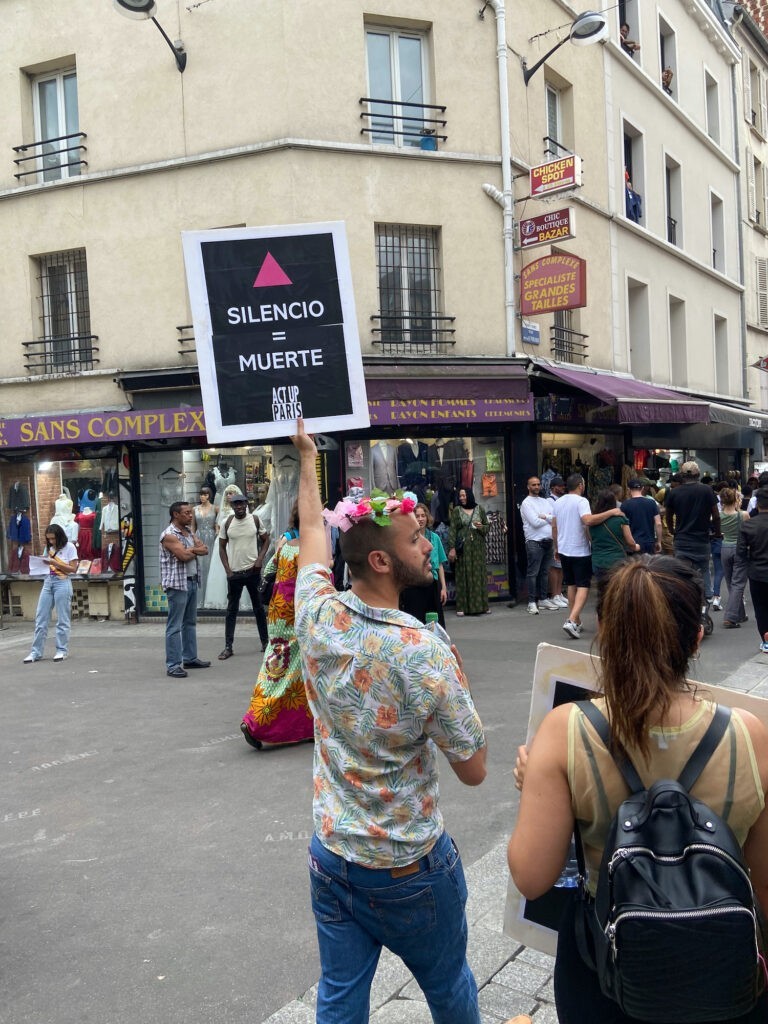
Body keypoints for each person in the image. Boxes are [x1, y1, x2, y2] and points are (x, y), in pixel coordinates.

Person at [507, 556, 768, 1024]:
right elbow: (765, 884)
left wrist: (538, 788)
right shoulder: (749, 735)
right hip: (721, 973)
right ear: (697, 638)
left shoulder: (566, 730)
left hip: (606, 972)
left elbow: (532, 876)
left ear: (603, 634)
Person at [291, 419, 487, 1024]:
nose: (428, 545)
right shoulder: (425, 652)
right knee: (450, 987)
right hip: (409, 869)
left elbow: (309, 532)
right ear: (380, 560)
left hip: (333, 855)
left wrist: (306, 457)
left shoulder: (316, 614)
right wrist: (456, 685)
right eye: (414, 539)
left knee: (341, 997)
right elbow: (475, 770)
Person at [241, 501, 312, 748]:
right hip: (301, 608)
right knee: (298, 666)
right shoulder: (311, 546)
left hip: (278, 608)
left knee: (279, 662)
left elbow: (270, 568)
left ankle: (305, 725)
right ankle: (257, 719)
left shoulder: (285, 540)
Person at [551, 473, 623, 639]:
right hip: (579, 549)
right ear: (581, 486)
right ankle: (571, 620)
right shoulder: (581, 501)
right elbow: (588, 521)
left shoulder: (558, 502)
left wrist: (556, 546)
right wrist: (612, 512)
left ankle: (575, 619)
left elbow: (554, 526)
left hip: (564, 549)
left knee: (571, 584)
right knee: (583, 585)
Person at [217, 489, 270, 660]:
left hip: (253, 571)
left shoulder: (255, 520)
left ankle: (265, 643)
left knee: (259, 609)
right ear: (232, 506)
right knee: (231, 610)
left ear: (246, 504)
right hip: (235, 574)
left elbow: (266, 539)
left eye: (242, 503)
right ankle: (228, 646)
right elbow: (221, 547)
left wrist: (260, 559)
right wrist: (227, 570)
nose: (239, 506)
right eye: (236, 504)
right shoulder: (227, 522)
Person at [160, 500, 210, 678]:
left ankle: (189, 657)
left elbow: (204, 549)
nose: (191, 515)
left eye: (191, 512)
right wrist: (194, 550)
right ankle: (173, 664)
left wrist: (193, 550)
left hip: (192, 580)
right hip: (177, 584)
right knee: (174, 626)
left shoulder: (188, 531)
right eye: (187, 513)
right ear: (176, 515)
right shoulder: (169, 535)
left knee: (190, 623)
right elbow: (182, 556)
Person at [665, 460, 721, 604]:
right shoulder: (707, 490)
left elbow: (668, 515)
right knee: (704, 570)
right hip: (701, 540)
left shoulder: (674, 492)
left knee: (682, 574)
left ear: (682, 475)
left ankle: (685, 600)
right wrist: (717, 533)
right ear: (698, 474)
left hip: (682, 540)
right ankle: (706, 599)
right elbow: (716, 515)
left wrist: (672, 530)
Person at [23, 523, 79, 663]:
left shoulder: (69, 547)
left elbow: (73, 569)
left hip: (63, 582)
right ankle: (36, 652)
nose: (51, 541)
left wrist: (56, 563)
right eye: (49, 539)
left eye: (53, 539)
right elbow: (45, 564)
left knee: (62, 618)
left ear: (59, 536)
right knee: (41, 618)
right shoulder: (49, 548)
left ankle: (61, 650)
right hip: (48, 581)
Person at [400, 501, 449, 626]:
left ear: (427, 518)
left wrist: (443, 587)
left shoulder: (435, 538)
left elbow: (440, 565)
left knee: (435, 621)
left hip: (433, 584)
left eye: (423, 515)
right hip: (415, 584)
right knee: (417, 620)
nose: (420, 519)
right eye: (417, 516)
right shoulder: (408, 539)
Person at [448, 487, 490, 616]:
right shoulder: (456, 510)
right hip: (463, 548)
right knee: (463, 574)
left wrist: (481, 527)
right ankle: (462, 607)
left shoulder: (480, 509)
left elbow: (487, 528)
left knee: (479, 575)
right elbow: (452, 530)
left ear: (469, 496)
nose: (462, 498)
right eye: (460, 496)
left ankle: (482, 606)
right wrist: (452, 548)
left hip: (477, 547)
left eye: (464, 495)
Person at [736, 487, 768, 653]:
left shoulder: (748, 525)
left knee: (761, 608)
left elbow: (740, 553)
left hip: (757, 573)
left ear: (758, 505)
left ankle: (766, 640)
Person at [520, 475, 557, 614]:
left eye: (538, 484)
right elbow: (534, 523)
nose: (536, 487)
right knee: (533, 573)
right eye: (533, 485)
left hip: (548, 541)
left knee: (545, 573)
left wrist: (545, 516)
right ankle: (531, 602)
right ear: (528, 487)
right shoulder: (526, 503)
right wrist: (548, 518)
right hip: (534, 542)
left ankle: (542, 599)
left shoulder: (545, 501)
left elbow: (555, 518)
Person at [588, 489, 639, 580]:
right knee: (615, 591)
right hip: (616, 561)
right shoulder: (621, 520)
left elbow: (591, 540)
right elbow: (630, 542)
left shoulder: (592, 522)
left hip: (598, 561)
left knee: (602, 590)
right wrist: (636, 546)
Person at [721, 486, 750, 628]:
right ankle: (731, 617)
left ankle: (741, 614)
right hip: (739, 548)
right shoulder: (743, 515)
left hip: (724, 547)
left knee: (730, 581)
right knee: (738, 583)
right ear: (736, 498)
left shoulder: (718, 516)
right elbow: (749, 531)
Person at [192, 484, 219, 605]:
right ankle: (199, 600)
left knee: (211, 566)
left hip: (211, 538)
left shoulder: (215, 508)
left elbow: (217, 525)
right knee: (200, 566)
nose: (203, 497)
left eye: (205, 494)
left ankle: (211, 598)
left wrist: (217, 533)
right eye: (201, 494)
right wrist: (192, 537)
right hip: (199, 537)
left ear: (209, 495)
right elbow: (193, 526)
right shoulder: (195, 509)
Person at [621, 477, 662, 554]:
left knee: (635, 565)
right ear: (642, 488)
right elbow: (658, 523)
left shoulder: (625, 505)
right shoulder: (651, 503)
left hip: (633, 544)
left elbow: (622, 525)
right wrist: (659, 541)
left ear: (629, 489)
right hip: (649, 542)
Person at [547, 476, 568, 607]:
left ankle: (559, 593)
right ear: (553, 488)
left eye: (563, 486)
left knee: (561, 566)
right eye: (560, 486)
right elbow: (552, 518)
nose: (562, 488)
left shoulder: (561, 500)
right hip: (554, 535)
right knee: (554, 567)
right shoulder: (549, 501)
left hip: (563, 535)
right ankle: (554, 594)